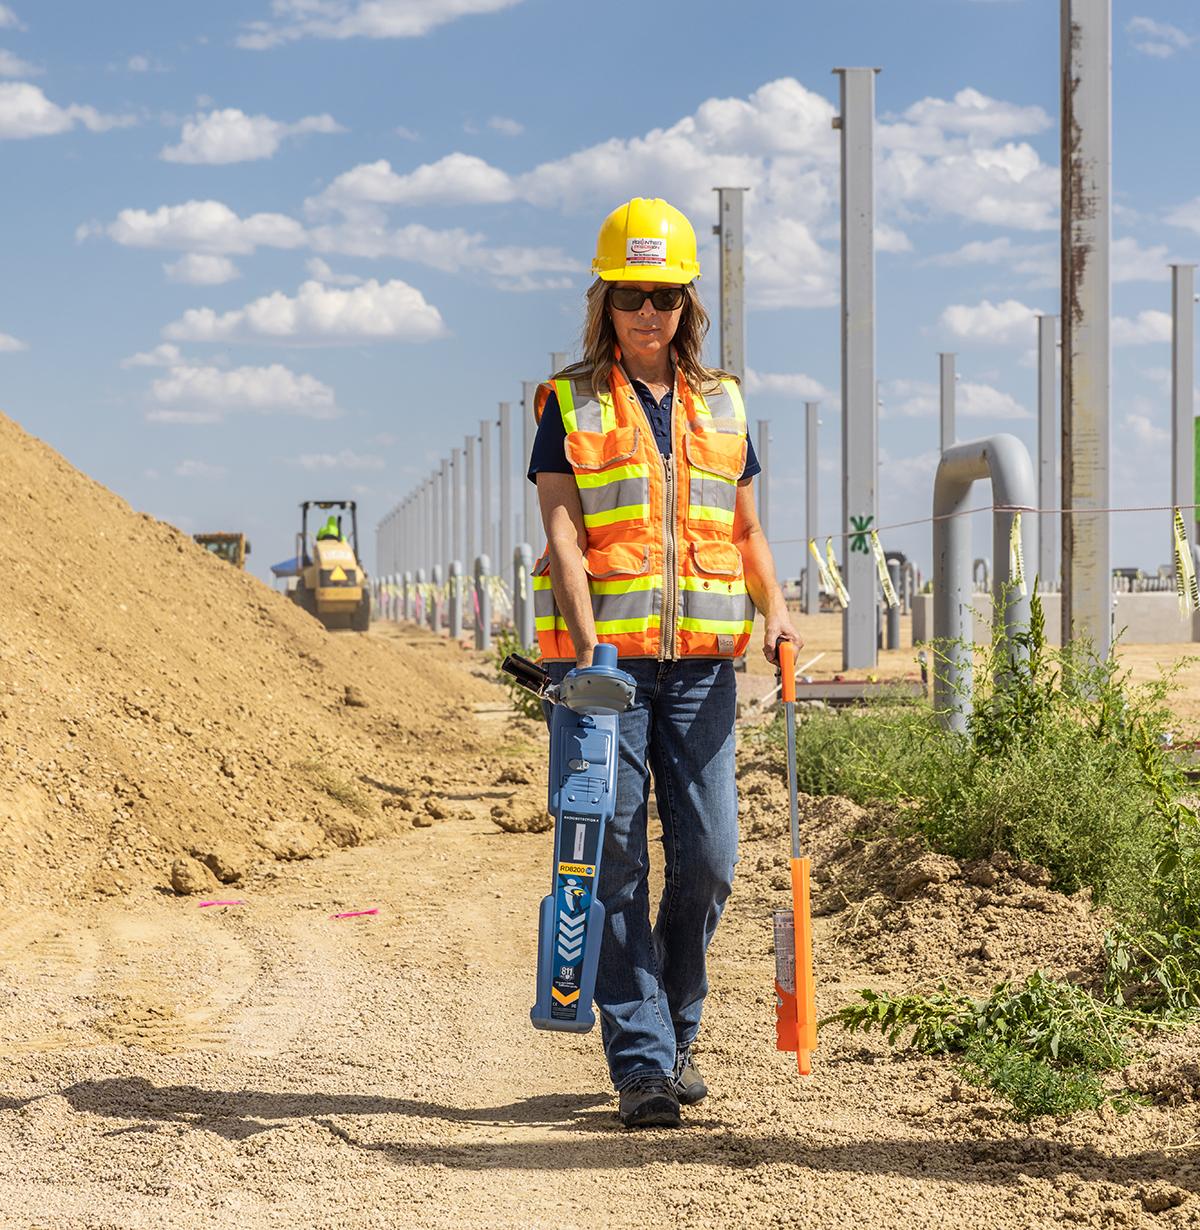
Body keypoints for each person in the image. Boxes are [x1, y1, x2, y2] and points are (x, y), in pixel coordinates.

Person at [527, 197, 801, 1128]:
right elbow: (565, 537)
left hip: (698, 676)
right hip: (605, 673)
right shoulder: (568, 402)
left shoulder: (724, 402)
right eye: (631, 295)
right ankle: (642, 1059)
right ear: (605, 302)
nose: (649, 313)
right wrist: (590, 648)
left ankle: (679, 1029)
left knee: (713, 860)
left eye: (666, 296)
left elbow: (749, 531)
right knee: (611, 857)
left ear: (688, 306)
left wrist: (779, 614)